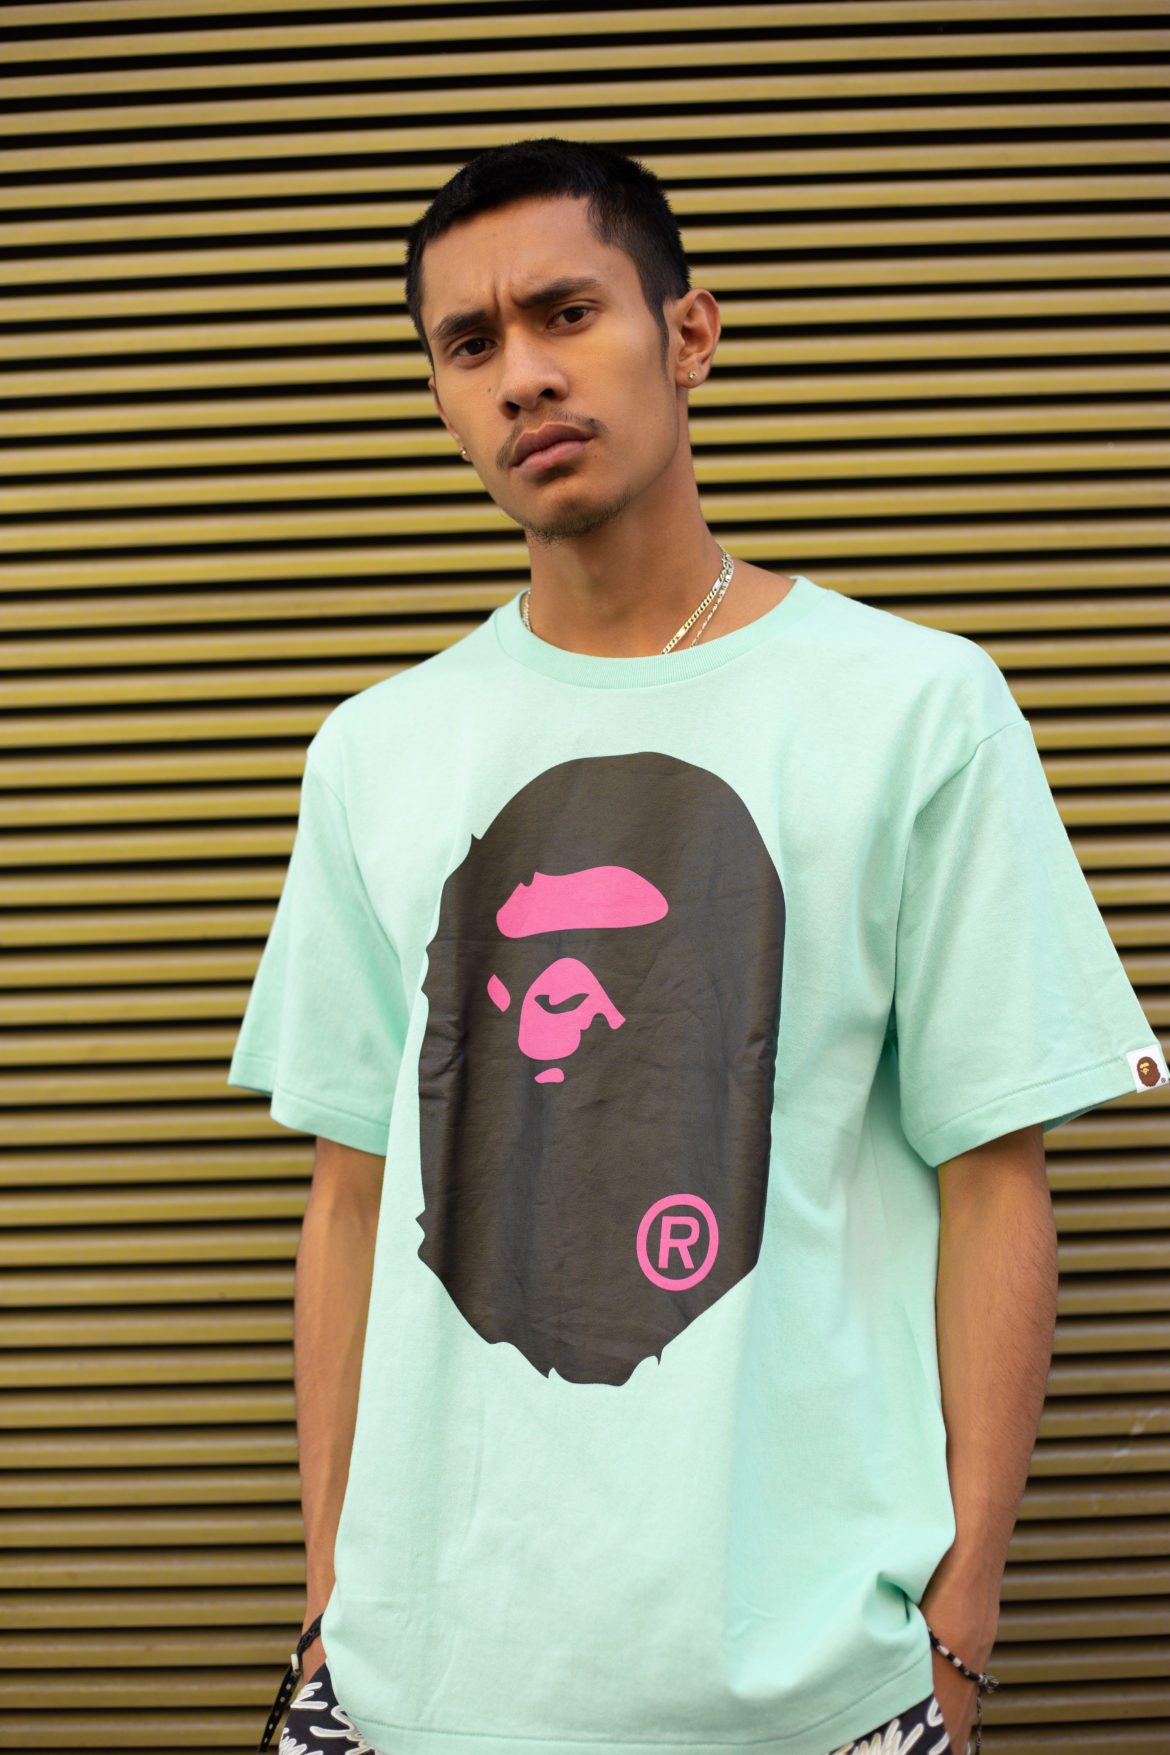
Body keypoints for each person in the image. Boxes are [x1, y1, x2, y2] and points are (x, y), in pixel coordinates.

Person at [230, 139, 1166, 1755]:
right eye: (468, 343)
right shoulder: (376, 753)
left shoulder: (913, 708)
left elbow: (992, 1181)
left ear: (688, 332)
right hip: (409, 1690)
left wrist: (956, 1635)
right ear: (441, 398)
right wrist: (328, 1601)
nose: (523, 376)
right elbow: (352, 1196)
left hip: (811, 1696)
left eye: (566, 312)